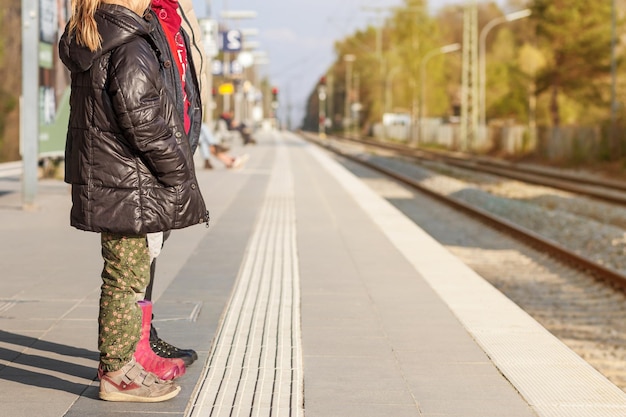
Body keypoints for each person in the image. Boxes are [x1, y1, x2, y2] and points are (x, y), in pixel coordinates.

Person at [59, 0, 208, 403]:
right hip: (131, 183)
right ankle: (118, 373)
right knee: (126, 278)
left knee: (123, 274)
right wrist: (180, 172)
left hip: (110, 178)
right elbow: (144, 120)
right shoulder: (130, 45)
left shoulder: (96, 37)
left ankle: (123, 364)